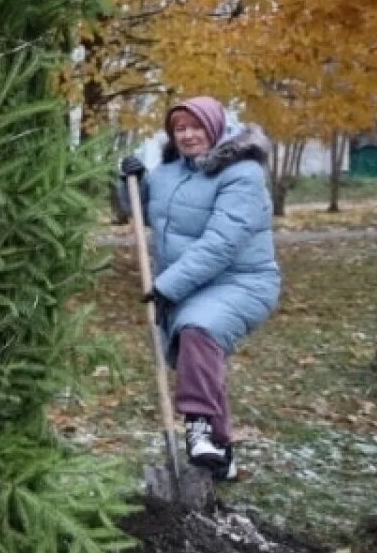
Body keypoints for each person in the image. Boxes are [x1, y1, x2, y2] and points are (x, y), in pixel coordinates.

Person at [119, 96, 281, 481]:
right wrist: (130, 181)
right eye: (180, 128)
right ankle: (221, 456)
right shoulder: (168, 173)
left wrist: (166, 287)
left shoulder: (243, 174)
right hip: (189, 285)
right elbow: (138, 208)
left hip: (242, 281)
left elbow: (222, 243)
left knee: (198, 330)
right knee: (199, 356)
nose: (188, 135)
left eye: (196, 126)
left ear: (215, 127)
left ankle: (200, 428)